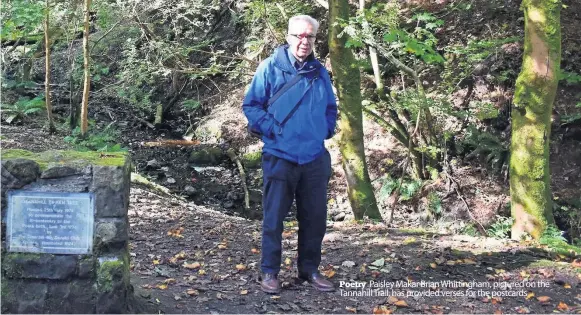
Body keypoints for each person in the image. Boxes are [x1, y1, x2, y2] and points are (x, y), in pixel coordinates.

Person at [242, 15, 338, 294]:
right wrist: (275, 129)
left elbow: (330, 108)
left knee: (315, 218)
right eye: (299, 36)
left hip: (314, 158)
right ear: (288, 37)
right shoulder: (270, 67)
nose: (304, 42)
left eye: (309, 37)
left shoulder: (320, 72)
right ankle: (269, 272)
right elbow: (251, 106)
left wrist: (325, 129)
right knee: (274, 219)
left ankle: (309, 270)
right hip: (280, 155)